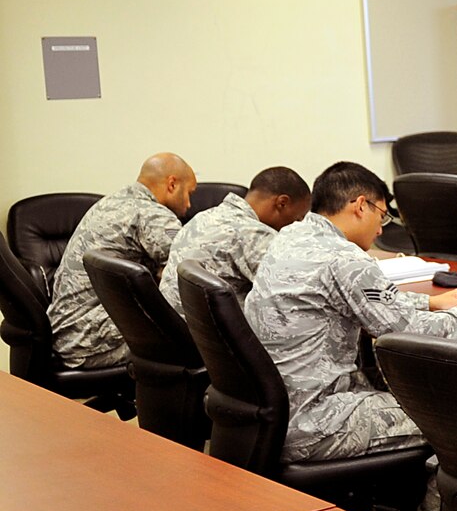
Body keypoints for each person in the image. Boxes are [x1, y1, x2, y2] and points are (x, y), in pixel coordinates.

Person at [245, 162, 457, 462]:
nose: (381, 229)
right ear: (360, 206)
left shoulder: (291, 238)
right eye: (382, 215)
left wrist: (429, 302)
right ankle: (432, 509)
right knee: (454, 417)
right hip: (314, 421)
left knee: (408, 390)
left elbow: (368, 302)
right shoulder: (344, 259)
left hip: (274, 410)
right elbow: (410, 333)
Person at [47, 152, 197, 369]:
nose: (189, 204)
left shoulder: (111, 202)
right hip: (89, 342)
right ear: (172, 184)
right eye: (189, 193)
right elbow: (197, 268)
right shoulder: (152, 214)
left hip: (67, 332)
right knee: (205, 337)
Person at [160, 166, 309, 314]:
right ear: (282, 203)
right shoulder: (255, 233)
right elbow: (295, 295)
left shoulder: (202, 217)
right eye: (298, 218)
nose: (296, 225)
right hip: (208, 333)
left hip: (174, 326)